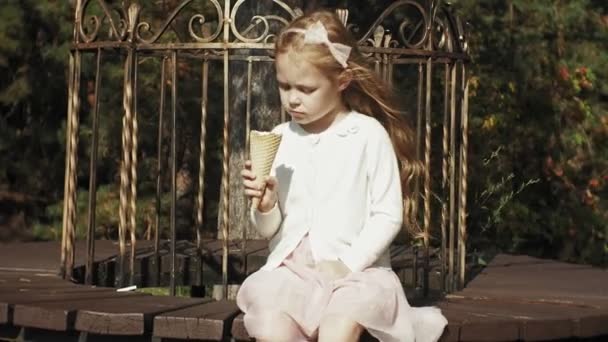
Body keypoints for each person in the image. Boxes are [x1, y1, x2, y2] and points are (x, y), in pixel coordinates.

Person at [237, 9, 447, 342]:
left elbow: (387, 214)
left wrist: (347, 264)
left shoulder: (367, 135)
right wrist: (265, 206)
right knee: (272, 326)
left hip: (357, 275)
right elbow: (270, 230)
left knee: (339, 328)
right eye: (284, 86)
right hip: (293, 274)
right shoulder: (282, 137)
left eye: (306, 89)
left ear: (342, 81)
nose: (292, 98)